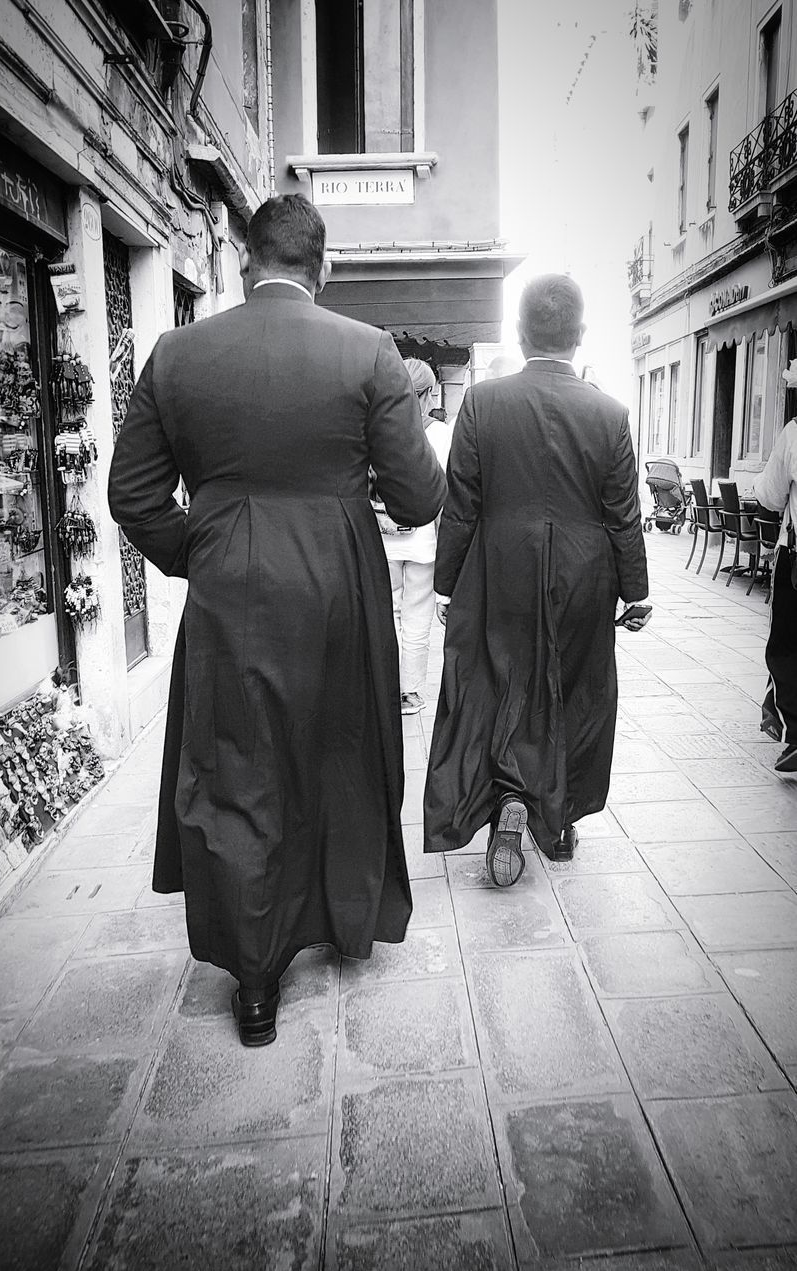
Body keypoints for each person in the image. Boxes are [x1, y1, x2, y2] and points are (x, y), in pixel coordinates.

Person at [108, 194, 446, 1046]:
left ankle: (256, 982)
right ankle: (342, 918)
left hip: (231, 587)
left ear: (243, 262)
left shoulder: (178, 353)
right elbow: (418, 494)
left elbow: (133, 495)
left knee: (239, 768)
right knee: (338, 754)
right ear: (320, 268)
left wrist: (204, 549)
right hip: (339, 585)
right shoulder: (370, 353)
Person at [423, 273, 650, 885]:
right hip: (583, 574)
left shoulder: (482, 403)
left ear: (521, 335)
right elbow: (623, 512)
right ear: (579, 336)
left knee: (499, 685)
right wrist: (638, 589)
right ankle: (561, 816)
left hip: (500, 566)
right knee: (572, 690)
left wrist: (446, 583)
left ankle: (506, 804)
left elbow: (461, 503)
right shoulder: (609, 413)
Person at [375, 358, 453, 715]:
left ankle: (386, 686)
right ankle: (411, 692)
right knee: (417, 614)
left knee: (387, 612)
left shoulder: (376, 429)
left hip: (381, 535)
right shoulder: (440, 434)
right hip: (423, 540)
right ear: (425, 394)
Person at [753, 369, 797, 773]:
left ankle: (796, 731)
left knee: (786, 644)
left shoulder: (795, 432)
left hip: (796, 557)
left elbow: (768, 495)